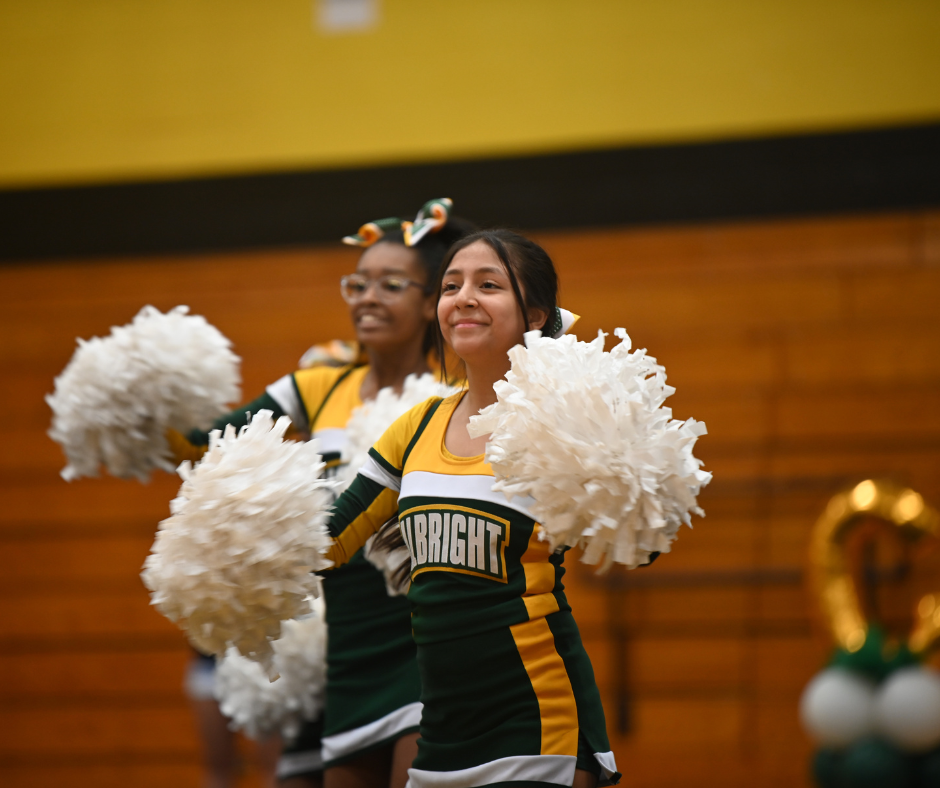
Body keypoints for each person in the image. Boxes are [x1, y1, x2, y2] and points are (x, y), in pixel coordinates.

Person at [170, 199, 473, 788]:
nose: (366, 297)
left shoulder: (455, 390)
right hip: (349, 643)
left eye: (390, 284)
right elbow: (204, 443)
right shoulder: (318, 383)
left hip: (425, 636)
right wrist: (136, 402)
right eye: (356, 284)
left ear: (431, 297)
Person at [324, 229, 619, 788]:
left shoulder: (561, 422)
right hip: (439, 732)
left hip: (535, 722)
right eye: (451, 285)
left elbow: (638, 540)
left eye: (489, 285)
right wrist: (243, 536)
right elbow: (330, 541)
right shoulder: (416, 428)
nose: (463, 298)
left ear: (534, 316)